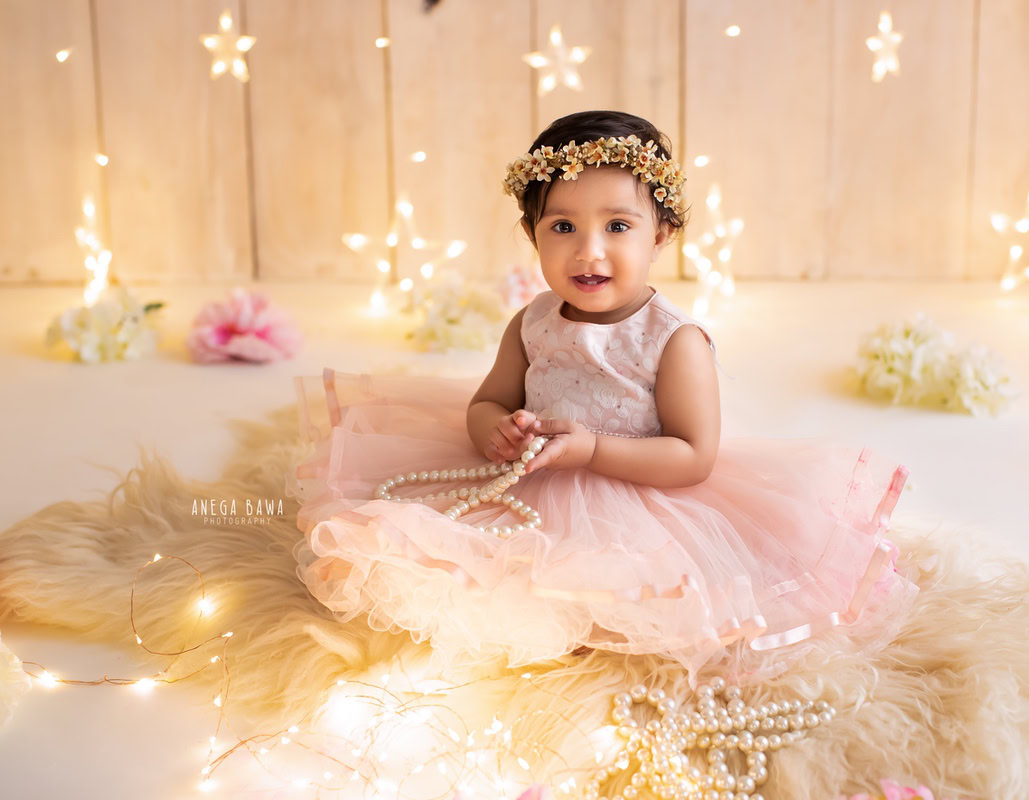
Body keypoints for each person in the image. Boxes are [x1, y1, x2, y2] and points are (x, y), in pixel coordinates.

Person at [286, 110, 918, 687]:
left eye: (618, 226)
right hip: (529, 484)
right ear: (532, 233)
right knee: (441, 559)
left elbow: (693, 456)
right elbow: (487, 402)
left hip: (638, 495)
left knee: (613, 594)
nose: (589, 251)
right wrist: (495, 431)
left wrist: (591, 450)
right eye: (562, 227)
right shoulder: (534, 321)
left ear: (662, 233)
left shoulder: (673, 340)